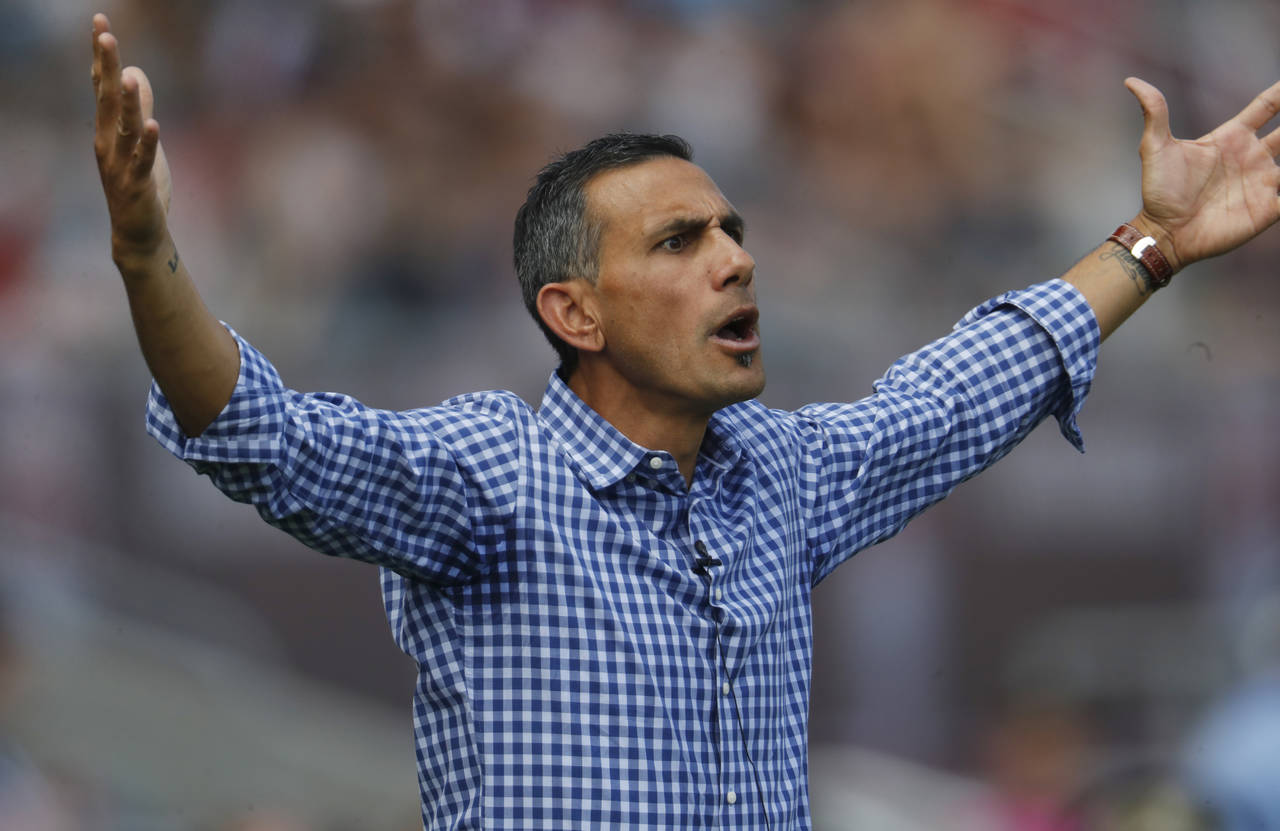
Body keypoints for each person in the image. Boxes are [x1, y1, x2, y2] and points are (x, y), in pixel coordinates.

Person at [89, 11, 1280, 830]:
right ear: (574, 312)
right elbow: (262, 435)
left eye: (730, 233)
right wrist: (147, 258)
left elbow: (969, 382)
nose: (733, 260)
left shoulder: (780, 470)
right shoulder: (494, 474)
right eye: (677, 241)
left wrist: (1155, 242)